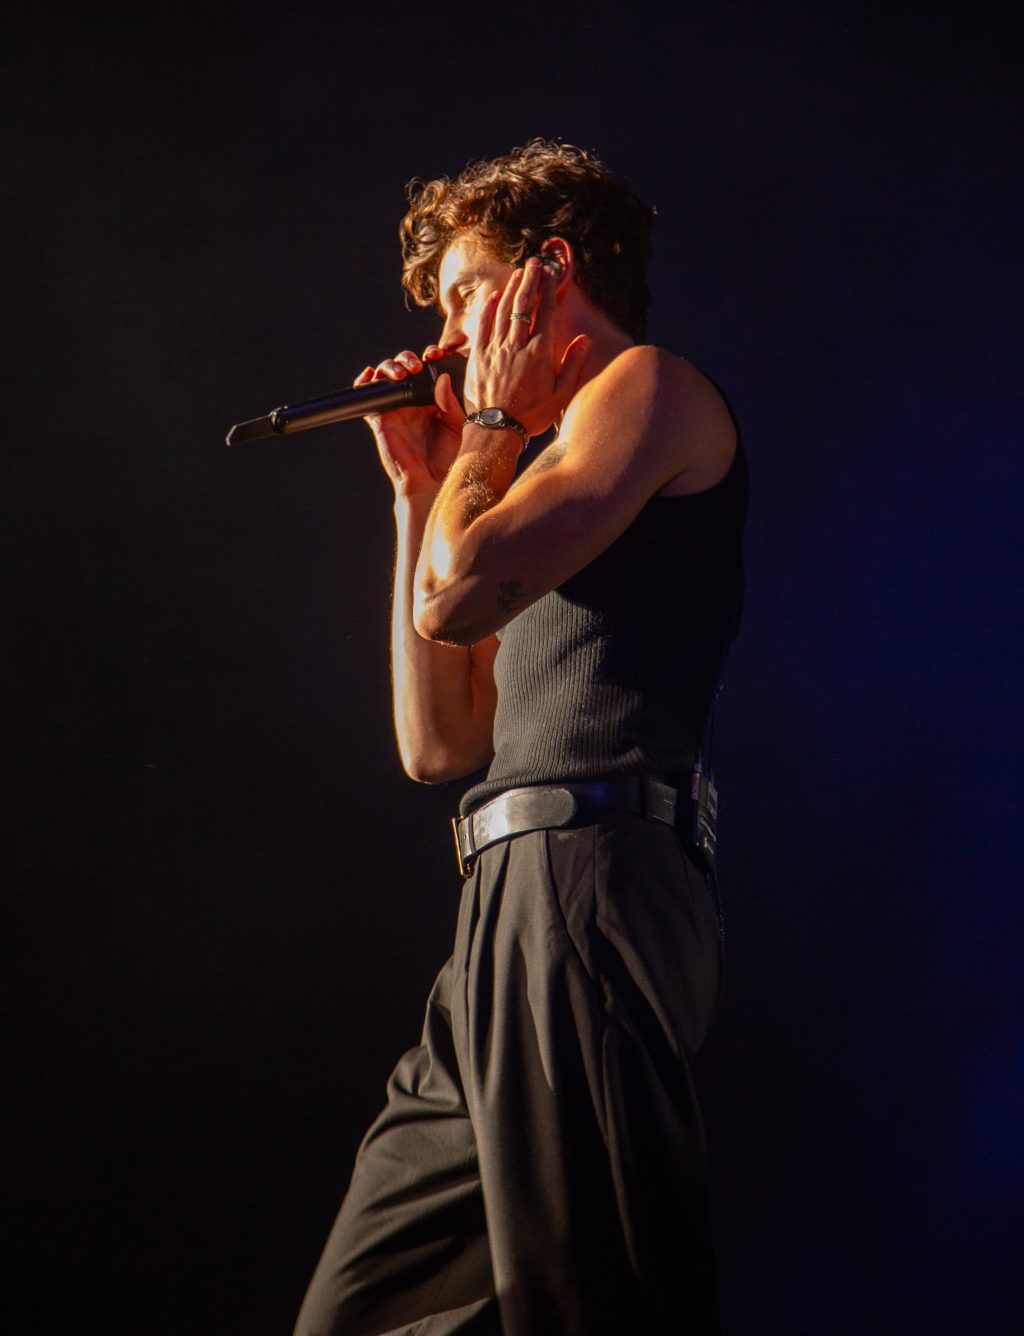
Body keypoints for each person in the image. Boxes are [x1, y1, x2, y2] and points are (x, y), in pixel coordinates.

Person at [295, 139, 747, 1336]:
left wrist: (486, 423)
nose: (442, 336)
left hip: (596, 877)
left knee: (592, 1296)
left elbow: (458, 595)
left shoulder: (644, 392)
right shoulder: (525, 472)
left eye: (460, 295)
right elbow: (437, 743)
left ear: (549, 271)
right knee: (363, 1307)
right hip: (504, 899)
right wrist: (418, 483)